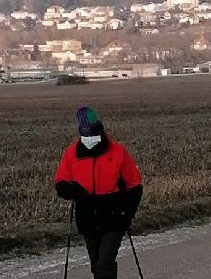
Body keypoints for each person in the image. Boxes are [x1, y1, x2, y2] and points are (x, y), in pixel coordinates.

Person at [52, 107, 144, 279]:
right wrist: (69, 190)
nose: (91, 139)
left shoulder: (117, 151)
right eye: (87, 135)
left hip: (114, 216)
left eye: (94, 133)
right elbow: (61, 181)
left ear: (101, 129)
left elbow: (135, 185)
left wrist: (128, 213)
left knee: (105, 264)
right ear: (81, 133)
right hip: (87, 218)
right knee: (97, 266)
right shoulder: (72, 153)